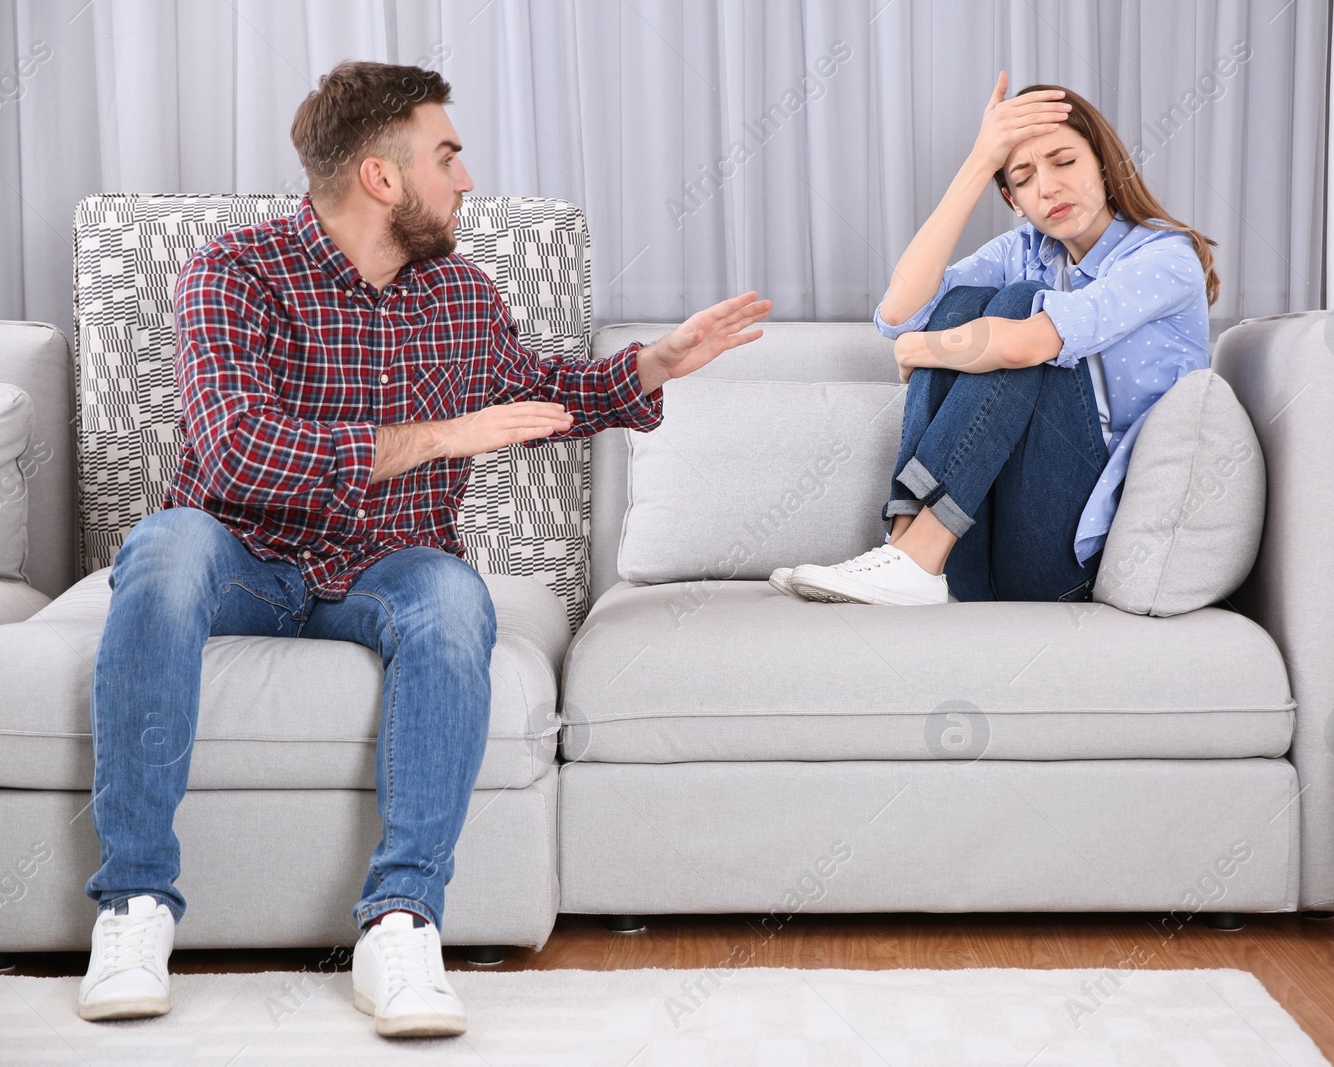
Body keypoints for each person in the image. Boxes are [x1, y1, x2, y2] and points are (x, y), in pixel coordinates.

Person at [76, 60, 770, 1036]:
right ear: (381, 177)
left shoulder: (458, 295)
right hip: (241, 551)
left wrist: (650, 366)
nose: (466, 179)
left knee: (453, 597)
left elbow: (540, 391)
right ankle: (135, 904)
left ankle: (400, 921)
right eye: (447, 155)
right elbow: (238, 449)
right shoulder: (234, 274)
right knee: (162, 548)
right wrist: (438, 436)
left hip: (386, 566)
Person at [777, 74, 1217, 607]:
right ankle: (905, 551)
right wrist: (978, 163)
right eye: (1024, 178)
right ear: (1012, 199)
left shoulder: (1165, 258)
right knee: (960, 307)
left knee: (1018, 304)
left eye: (1064, 161)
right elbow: (900, 313)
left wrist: (919, 349)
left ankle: (916, 555)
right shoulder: (1029, 248)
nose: (1048, 188)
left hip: (1070, 561)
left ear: (1103, 163)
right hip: (987, 552)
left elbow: (1023, 344)